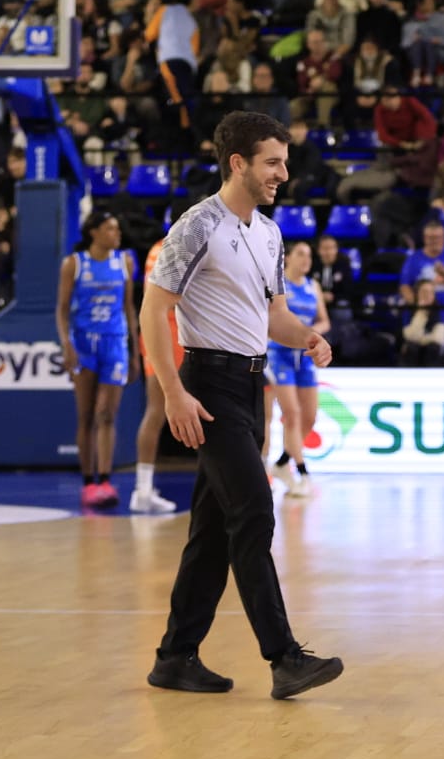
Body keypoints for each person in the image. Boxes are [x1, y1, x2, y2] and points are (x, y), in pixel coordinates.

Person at [140, 112, 342, 700]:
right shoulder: (196, 225)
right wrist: (175, 392)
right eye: (272, 162)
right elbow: (154, 311)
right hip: (207, 384)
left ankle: (176, 657)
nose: (283, 172)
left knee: (212, 531)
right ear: (238, 163)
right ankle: (284, 658)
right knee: (254, 511)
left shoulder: (271, 233)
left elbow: (274, 315)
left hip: (250, 388)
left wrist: (307, 336)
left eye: (283, 161)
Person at [57, 213, 138, 510]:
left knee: (107, 413)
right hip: (83, 344)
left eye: (117, 227)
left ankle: (105, 478)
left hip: (114, 343)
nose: (116, 233)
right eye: (109, 228)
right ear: (93, 232)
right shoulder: (74, 264)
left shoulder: (125, 262)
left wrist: (134, 351)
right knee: (86, 415)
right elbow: (62, 309)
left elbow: (129, 308)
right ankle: (88, 482)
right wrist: (66, 345)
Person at [268, 239, 330, 498]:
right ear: (289, 258)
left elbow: (324, 321)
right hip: (279, 354)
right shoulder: (278, 283)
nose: (307, 260)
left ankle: (282, 463)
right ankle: (302, 472)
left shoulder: (313, 286)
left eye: (309, 255)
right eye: (301, 254)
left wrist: (313, 335)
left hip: (304, 356)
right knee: (291, 414)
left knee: (310, 417)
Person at [130, 238, 182, 515]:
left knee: (155, 412)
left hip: (153, 331)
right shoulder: (182, 244)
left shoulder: (154, 248)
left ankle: (143, 489)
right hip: (175, 332)